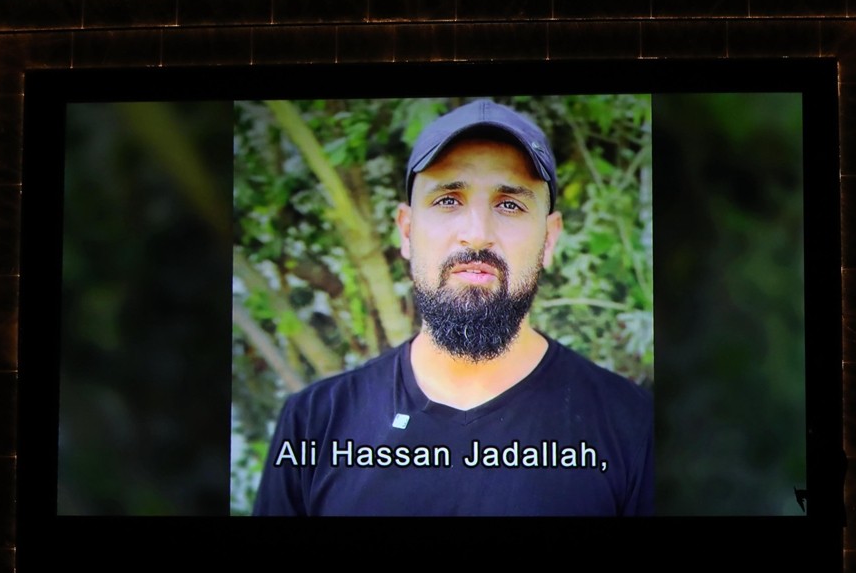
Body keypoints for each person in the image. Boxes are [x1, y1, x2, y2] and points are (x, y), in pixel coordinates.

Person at [252, 99, 653, 516]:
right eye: (448, 200)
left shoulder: (633, 427)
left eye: (510, 204)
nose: (477, 235)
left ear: (549, 240)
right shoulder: (314, 425)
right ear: (407, 231)